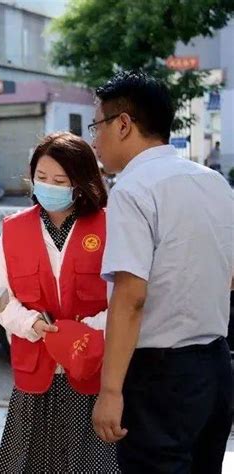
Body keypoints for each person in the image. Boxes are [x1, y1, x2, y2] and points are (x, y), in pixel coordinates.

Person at [90, 71, 234, 473]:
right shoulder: (215, 183)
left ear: (123, 124)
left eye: (96, 125)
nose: (94, 139)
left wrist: (111, 390)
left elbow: (131, 297)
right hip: (215, 367)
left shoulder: (133, 189)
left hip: (158, 377)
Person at [0, 132, 120, 473]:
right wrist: (30, 323)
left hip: (92, 371)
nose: (49, 186)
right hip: (36, 374)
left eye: (60, 180)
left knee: (91, 465)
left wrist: (83, 330)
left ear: (81, 181)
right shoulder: (15, 228)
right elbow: (0, 298)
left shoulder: (110, 225)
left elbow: (125, 299)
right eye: (41, 178)